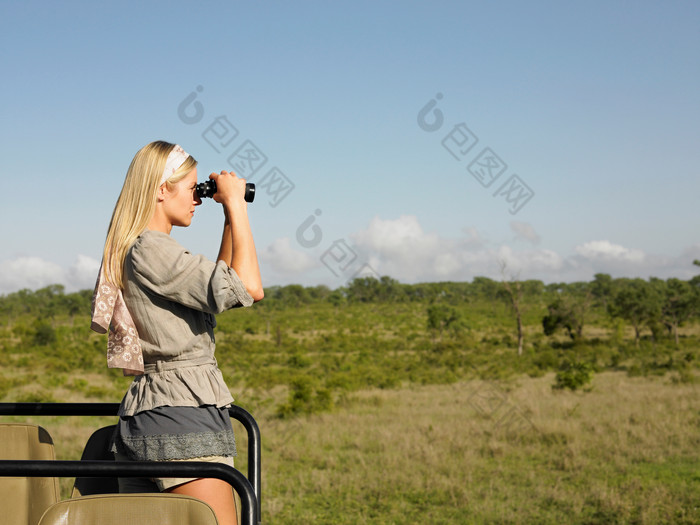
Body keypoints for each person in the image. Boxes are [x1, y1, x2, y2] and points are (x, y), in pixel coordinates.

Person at [90, 140, 263, 525]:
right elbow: (250, 287)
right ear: (160, 189)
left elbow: (218, 291)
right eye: (191, 189)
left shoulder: (140, 248)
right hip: (183, 415)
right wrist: (237, 204)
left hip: (153, 413)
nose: (197, 199)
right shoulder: (152, 249)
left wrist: (227, 220)